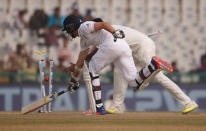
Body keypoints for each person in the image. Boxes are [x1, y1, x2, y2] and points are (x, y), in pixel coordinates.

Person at [62, 16, 173, 115]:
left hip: (111, 43)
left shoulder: (84, 27)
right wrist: (73, 81)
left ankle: (99, 108)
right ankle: (153, 65)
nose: (67, 32)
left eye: (67, 29)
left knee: (93, 68)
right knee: (133, 81)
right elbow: (80, 63)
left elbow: (103, 24)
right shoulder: (83, 41)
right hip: (123, 46)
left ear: (72, 27)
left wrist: (114, 32)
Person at [105, 25, 198, 114]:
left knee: (159, 77)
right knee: (119, 70)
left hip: (144, 47)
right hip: (132, 52)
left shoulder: (107, 33)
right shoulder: (106, 31)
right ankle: (116, 106)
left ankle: (188, 103)